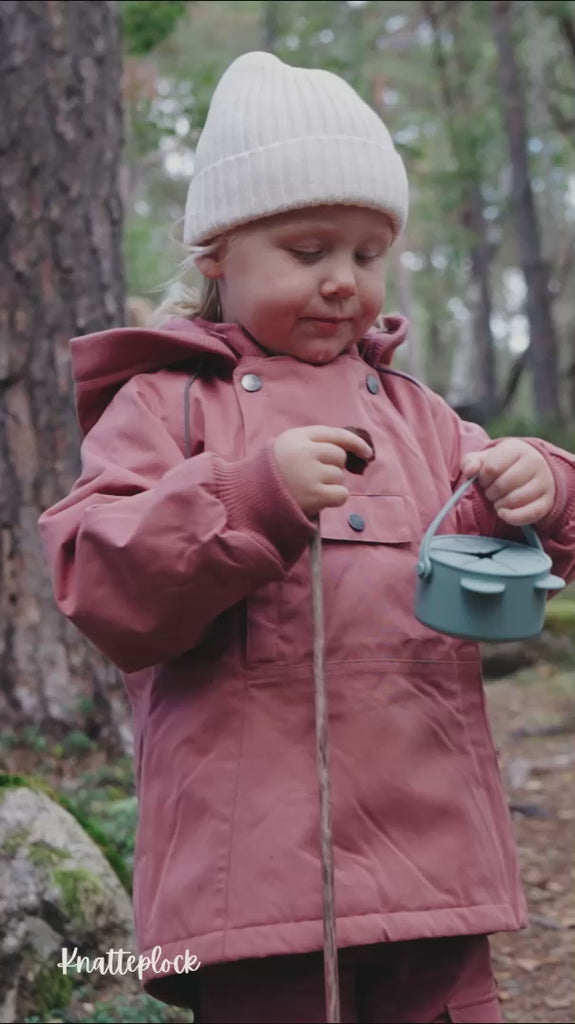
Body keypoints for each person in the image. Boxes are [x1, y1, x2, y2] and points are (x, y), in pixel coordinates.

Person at [39, 52, 575, 1024]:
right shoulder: (162, 408)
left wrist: (545, 485)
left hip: (434, 864)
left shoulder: (419, 417)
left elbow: (527, 539)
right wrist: (251, 496)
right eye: (307, 249)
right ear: (216, 252)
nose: (342, 282)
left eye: (367, 256)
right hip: (253, 885)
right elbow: (98, 576)